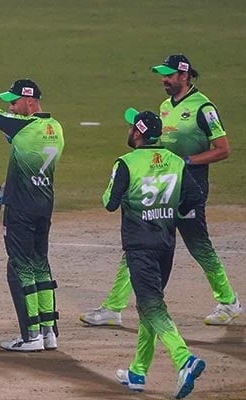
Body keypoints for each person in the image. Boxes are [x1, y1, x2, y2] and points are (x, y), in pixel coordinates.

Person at [80, 54, 241, 327]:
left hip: (191, 188)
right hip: (164, 186)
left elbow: (223, 150)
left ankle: (228, 301)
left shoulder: (204, 109)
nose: (164, 80)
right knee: (138, 245)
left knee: (199, 246)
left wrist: (187, 161)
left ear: (184, 75)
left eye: (169, 75)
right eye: (162, 75)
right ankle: (113, 307)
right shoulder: (164, 107)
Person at [110, 108, 205, 399]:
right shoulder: (176, 161)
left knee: (153, 307)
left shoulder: (126, 163)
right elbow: (195, 197)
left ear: (138, 133)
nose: (128, 131)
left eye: (131, 127)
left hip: (140, 247)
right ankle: (138, 371)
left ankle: (184, 359)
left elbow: (110, 202)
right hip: (166, 245)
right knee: (148, 305)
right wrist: (169, 211)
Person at [0, 79, 64, 351]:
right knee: (41, 266)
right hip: (44, 204)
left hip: (21, 210)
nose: (11, 107)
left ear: (30, 101)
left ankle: (32, 336)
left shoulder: (23, 125)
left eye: (14, 102)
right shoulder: (56, 128)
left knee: (21, 268)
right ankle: (49, 333)